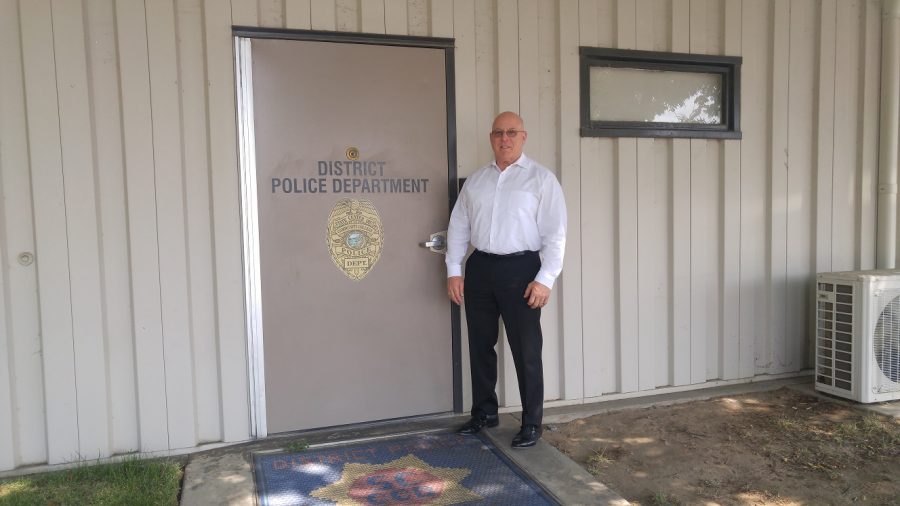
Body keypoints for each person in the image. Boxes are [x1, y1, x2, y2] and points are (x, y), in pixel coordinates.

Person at [446, 111, 566, 448]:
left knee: (526, 349)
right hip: (481, 269)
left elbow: (556, 234)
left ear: (523, 137)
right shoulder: (477, 181)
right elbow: (459, 227)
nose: (505, 138)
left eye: (512, 132)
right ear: (491, 137)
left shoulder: (541, 180)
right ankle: (484, 412)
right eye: (499, 132)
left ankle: (531, 422)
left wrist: (545, 279)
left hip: (522, 271)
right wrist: (454, 270)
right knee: (480, 345)